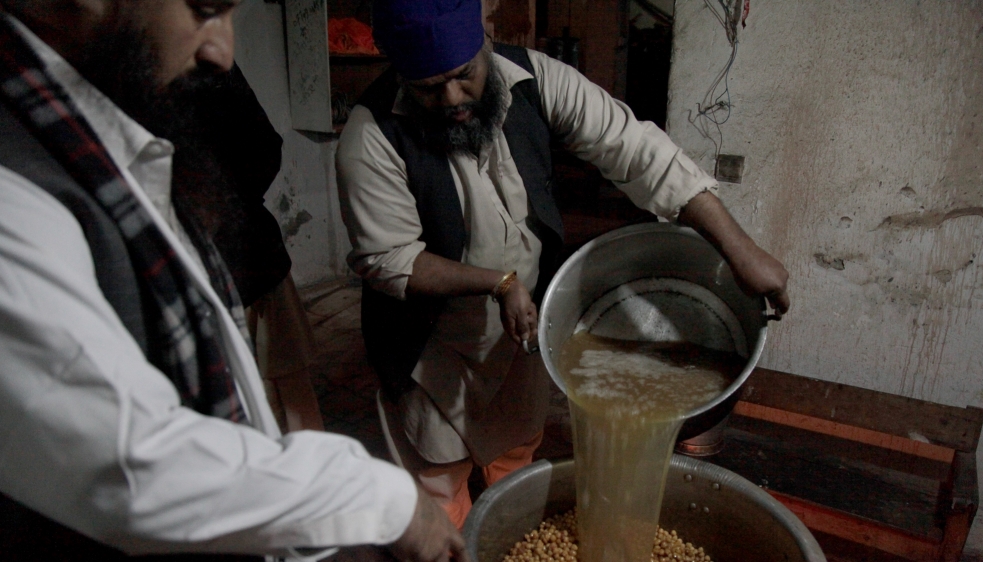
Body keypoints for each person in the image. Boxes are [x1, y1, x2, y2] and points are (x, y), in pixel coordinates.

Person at [0, 1, 466, 560]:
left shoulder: (111, 144)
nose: (223, 51)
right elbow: (129, 467)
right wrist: (380, 499)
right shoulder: (4, 185)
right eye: (206, 9)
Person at [335, 0, 790, 529]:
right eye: (429, 89)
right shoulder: (370, 136)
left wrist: (739, 248)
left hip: (522, 328)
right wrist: (496, 282)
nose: (454, 99)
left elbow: (635, 148)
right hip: (433, 347)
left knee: (515, 454)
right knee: (438, 481)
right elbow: (390, 260)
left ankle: (507, 526)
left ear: (484, 40)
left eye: (465, 76)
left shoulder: (534, 78)